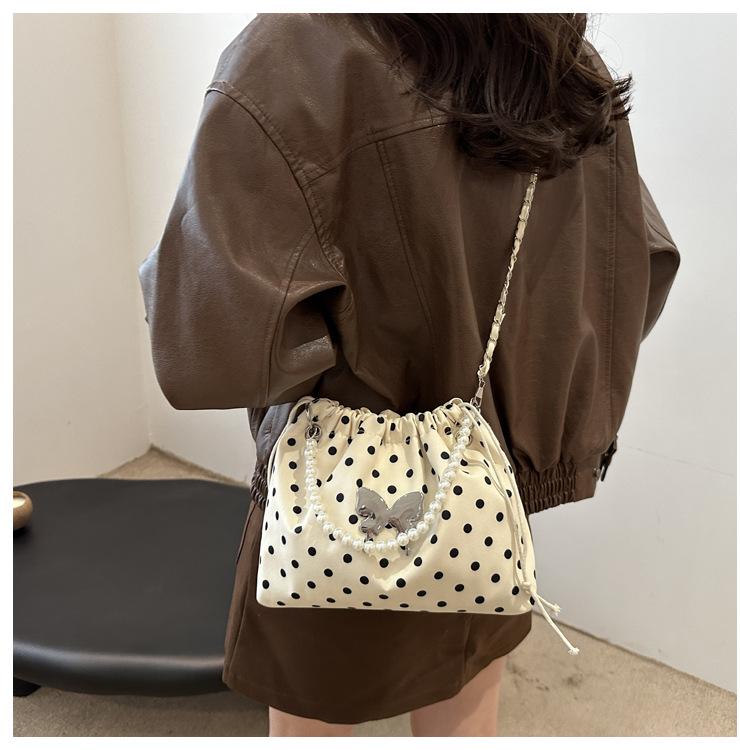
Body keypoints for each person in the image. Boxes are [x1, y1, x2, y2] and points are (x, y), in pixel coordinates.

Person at [138, 13, 680, 736]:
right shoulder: (555, 53)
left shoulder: (296, 52)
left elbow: (207, 344)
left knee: (312, 719)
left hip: (336, 490)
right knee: (467, 708)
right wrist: (529, 412)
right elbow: (636, 266)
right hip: (482, 489)